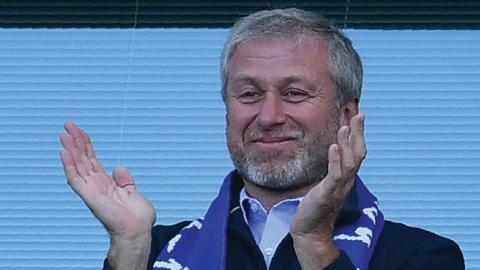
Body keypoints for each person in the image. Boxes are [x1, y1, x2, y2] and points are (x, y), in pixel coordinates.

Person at [60, 8, 464, 270]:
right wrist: (130, 250)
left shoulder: (422, 257)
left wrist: (314, 244)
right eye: (249, 94)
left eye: (294, 93)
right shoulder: (157, 250)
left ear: (346, 113)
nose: (269, 117)